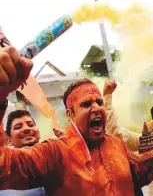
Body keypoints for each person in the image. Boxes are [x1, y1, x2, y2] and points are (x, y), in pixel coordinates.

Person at [0, 46, 153, 196]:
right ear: (70, 115)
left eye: (99, 102)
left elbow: (138, 174)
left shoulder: (116, 143)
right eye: (86, 104)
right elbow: (4, 167)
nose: (97, 108)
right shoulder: (55, 153)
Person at [0, 110, 45, 196]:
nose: (26, 129)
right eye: (18, 127)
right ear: (9, 140)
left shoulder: (55, 156)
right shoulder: (5, 167)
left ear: (38, 133)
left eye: (31, 125)